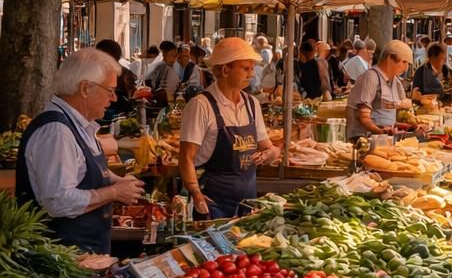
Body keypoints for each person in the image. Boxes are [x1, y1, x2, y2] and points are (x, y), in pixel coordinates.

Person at [17, 50, 146, 252]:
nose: (113, 98)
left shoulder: (80, 126)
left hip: (85, 253)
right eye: (109, 90)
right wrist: (113, 192)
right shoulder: (57, 132)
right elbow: (58, 201)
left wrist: (114, 179)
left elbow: (84, 169)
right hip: (61, 256)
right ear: (85, 88)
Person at [178, 38, 280, 219]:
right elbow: (186, 157)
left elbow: (271, 149)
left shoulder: (252, 104)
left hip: (247, 202)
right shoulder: (201, 106)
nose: (252, 74)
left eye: (252, 68)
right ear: (225, 70)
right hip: (212, 203)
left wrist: (267, 154)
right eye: (245, 68)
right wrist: (195, 193)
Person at [347, 40, 413, 140]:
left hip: (385, 139)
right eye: (404, 62)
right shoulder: (371, 77)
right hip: (364, 140)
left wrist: (410, 127)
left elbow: (385, 119)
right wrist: (382, 132)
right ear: (390, 58)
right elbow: (363, 116)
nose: (406, 67)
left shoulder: (395, 81)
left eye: (408, 63)